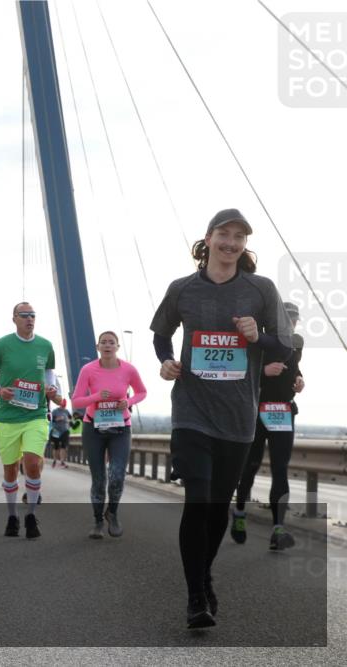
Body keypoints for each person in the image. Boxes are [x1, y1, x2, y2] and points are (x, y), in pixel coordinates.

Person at [151, 208, 292, 629]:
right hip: (191, 412)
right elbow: (161, 333)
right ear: (208, 238)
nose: (231, 242)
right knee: (198, 500)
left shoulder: (261, 290)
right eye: (224, 234)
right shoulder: (182, 289)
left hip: (238, 418)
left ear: (245, 245)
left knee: (215, 509)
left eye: (239, 237)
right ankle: (196, 596)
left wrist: (257, 337)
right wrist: (166, 361)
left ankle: (204, 573)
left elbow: (284, 347)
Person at [0, 302, 63, 539]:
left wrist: (52, 386)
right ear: (14, 318)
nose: (30, 319)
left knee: (33, 462)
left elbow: (49, 371)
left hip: (35, 414)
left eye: (33, 315)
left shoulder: (45, 345)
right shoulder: (2, 345)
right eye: (24, 315)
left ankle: (30, 515)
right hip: (7, 417)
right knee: (9, 471)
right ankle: (12, 516)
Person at [232, 301, 305, 550]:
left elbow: (294, 367)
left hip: (283, 411)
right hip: (255, 411)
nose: (292, 324)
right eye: (288, 320)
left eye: (295, 320)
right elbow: (239, 370)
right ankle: (240, 513)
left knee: (280, 469)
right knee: (249, 468)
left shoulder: (296, 342)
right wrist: (264, 371)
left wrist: (299, 379)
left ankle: (278, 529)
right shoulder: (259, 340)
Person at [71, 331, 148, 539]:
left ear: (117, 347)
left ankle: (112, 513)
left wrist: (128, 402)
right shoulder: (88, 370)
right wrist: (95, 397)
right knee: (99, 479)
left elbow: (142, 392)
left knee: (117, 475)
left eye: (111, 342)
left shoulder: (129, 369)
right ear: (98, 347)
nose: (107, 345)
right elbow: (77, 401)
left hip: (120, 428)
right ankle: (97, 521)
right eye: (103, 342)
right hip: (93, 428)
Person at [48, 400, 72, 469]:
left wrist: (68, 420)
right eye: (62, 405)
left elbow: (70, 418)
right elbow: (51, 419)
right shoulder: (55, 411)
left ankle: (62, 462)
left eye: (64, 406)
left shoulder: (66, 411)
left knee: (63, 446)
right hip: (56, 431)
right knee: (56, 447)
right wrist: (57, 419)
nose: (63, 407)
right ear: (60, 405)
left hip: (65, 430)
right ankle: (55, 460)